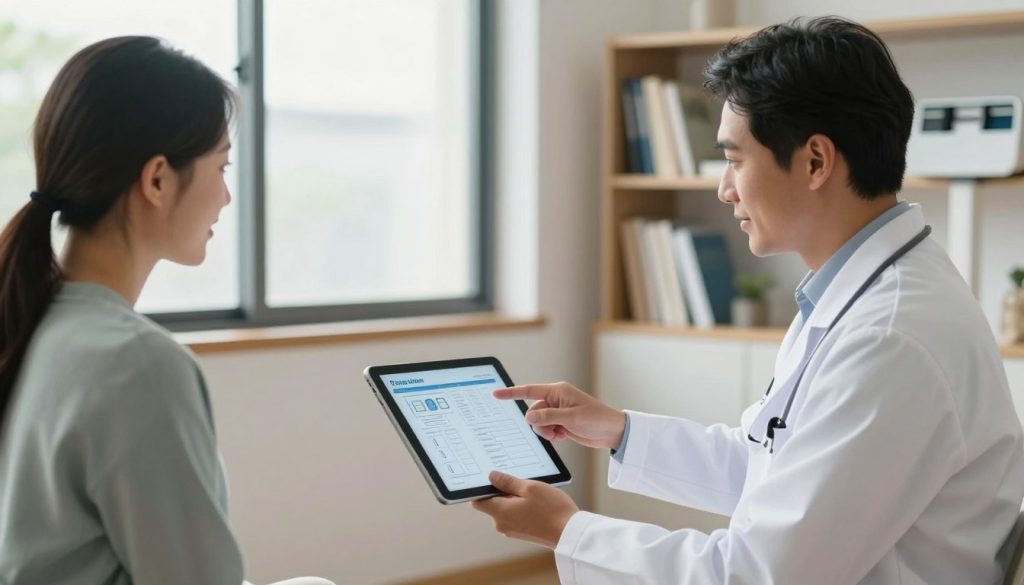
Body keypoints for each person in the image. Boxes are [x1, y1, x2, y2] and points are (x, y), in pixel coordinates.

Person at [472, 16, 1024, 584]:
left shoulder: (887, 337)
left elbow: (758, 575)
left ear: (815, 161)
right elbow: (772, 468)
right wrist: (618, 429)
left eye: (735, 160)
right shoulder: (862, 293)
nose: (724, 187)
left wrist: (568, 531)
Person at [0, 37, 332, 585]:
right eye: (221, 167)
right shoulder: (137, 362)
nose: (226, 197)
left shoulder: (27, 321)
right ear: (157, 179)